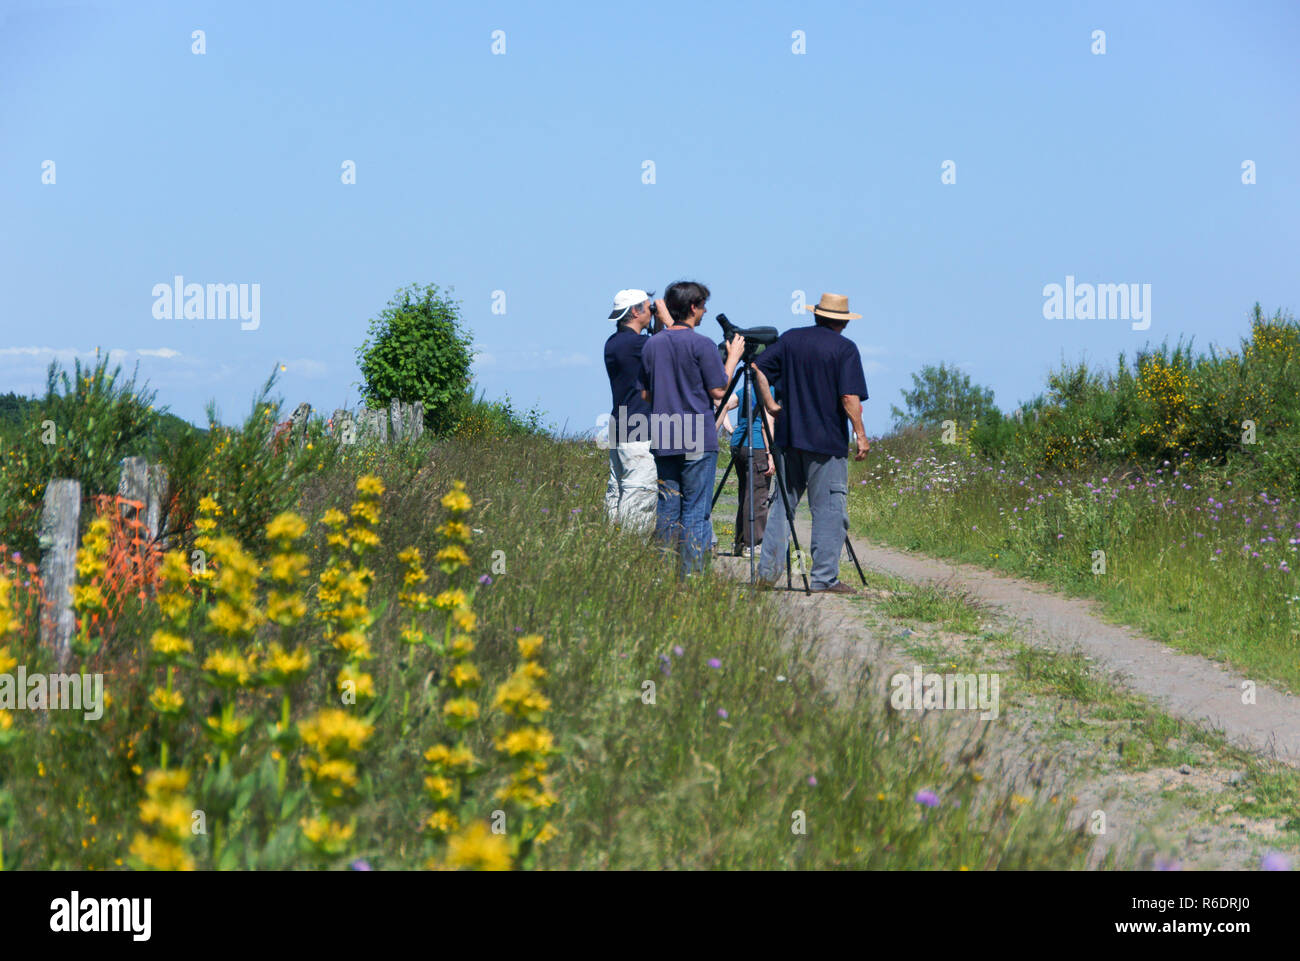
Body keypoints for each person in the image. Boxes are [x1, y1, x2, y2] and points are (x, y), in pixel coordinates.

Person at [752, 293, 870, 594]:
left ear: (816, 315)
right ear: (842, 322)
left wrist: (769, 403)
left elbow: (758, 368)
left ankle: (767, 574)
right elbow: (848, 398)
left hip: (789, 438)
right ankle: (824, 578)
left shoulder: (791, 340)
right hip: (827, 442)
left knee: (782, 507)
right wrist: (860, 434)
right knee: (829, 509)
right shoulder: (845, 349)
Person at [638, 280, 744, 577]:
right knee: (696, 510)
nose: (705, 311)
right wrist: (733, 358)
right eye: (703, 305)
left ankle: (662, 574)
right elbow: (719, 391)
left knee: (667, 509)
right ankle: (692, 576)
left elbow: (645, 394)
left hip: (663, 432)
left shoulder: (652, 345)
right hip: (697, 434)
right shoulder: (702, 344)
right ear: (693, 307)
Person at [602, 288, 657, 532]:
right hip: (637, 430)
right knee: (639, 493)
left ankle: (611, 545)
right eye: (649, 307)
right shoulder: (636, 344)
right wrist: (667, 320)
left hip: (620, 425)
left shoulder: (614, 342)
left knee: (617, 491)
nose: (653, 312)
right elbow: (667, 349)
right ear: (635, 311)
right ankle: (631, 551)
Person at [729, 376, 776, 557]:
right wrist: (770, 454)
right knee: (758, 496)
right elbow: (766, 425)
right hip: (757, 445)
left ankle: (740, 542)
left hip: (738, 443)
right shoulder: (769, 390)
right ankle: (754, 543)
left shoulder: (747, 388)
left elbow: (723, 403)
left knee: (745, 494)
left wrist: (729, 428)